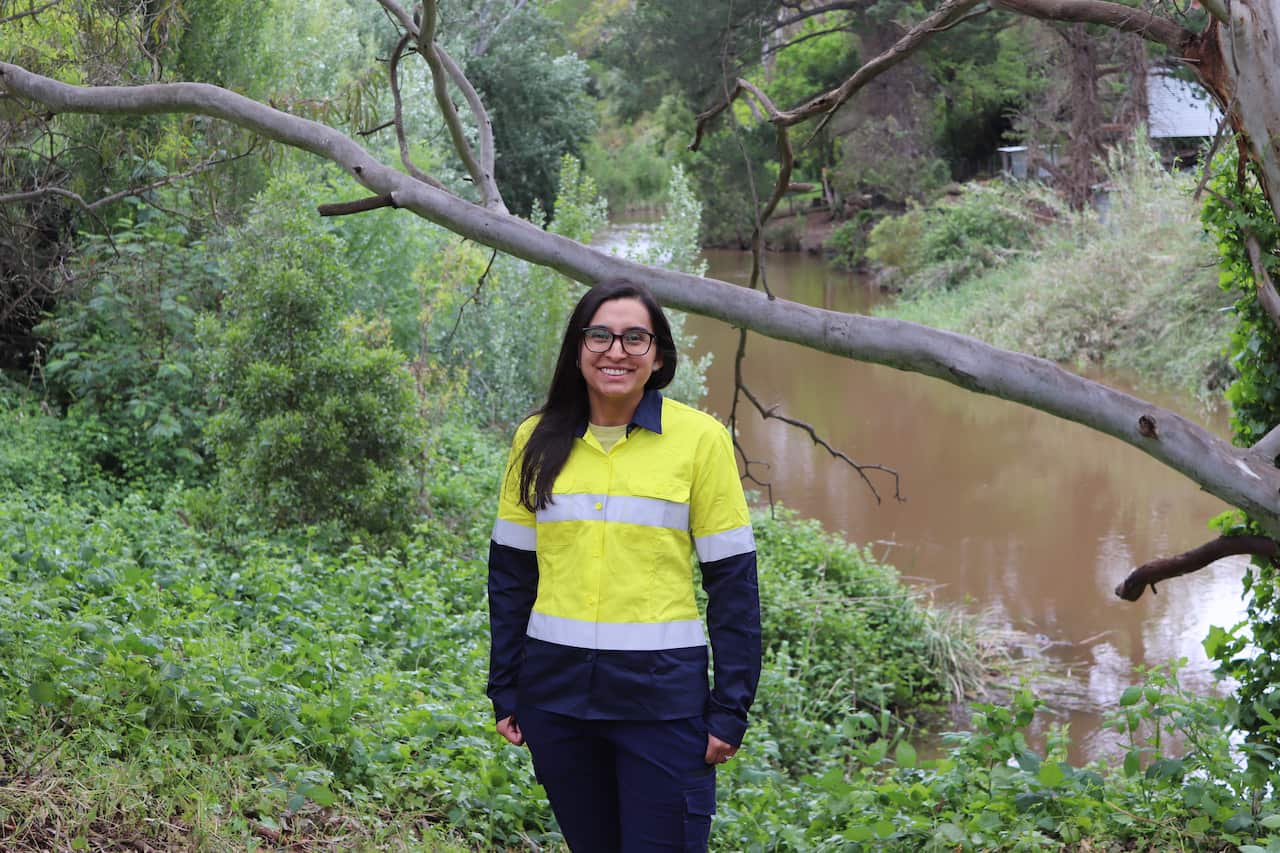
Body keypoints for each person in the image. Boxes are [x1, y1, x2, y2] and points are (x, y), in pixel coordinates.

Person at [487, 278, 762, 851]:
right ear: (578, 347)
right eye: (601, 336)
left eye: (635, 338)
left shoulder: (700, 440)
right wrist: (506, 686)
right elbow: (511, 575)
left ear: (658, 353)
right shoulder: (534, 440)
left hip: (660, 702)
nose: (616, 351)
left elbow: (733, 584)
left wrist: (730, 707)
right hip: (557, 699)